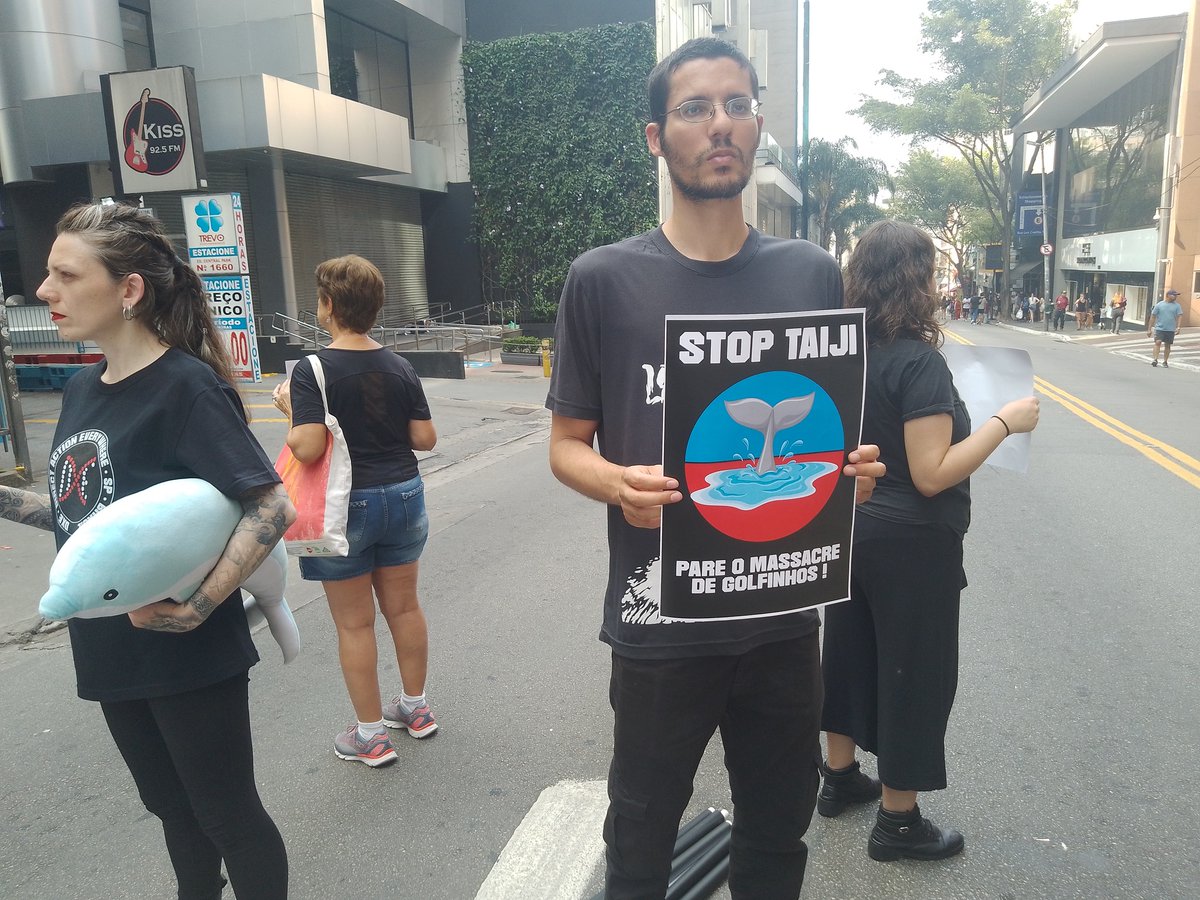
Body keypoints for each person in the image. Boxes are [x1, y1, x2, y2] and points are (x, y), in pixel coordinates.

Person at [546, 38, 884, 900]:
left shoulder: (809, 272)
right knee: (641, 840)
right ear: (656, 137)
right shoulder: (603, 281)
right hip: (660, 622)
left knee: (778, 836)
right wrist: (615, 483)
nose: (719, 124)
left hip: (780, 617)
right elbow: (566, 445)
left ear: (758, 124)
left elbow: (827, 434)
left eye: (736, 104)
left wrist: (853, 473)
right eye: (694, 109)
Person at [0, 202, 292, 898]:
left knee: (227, 813)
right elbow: (84, 518)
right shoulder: (80, 389)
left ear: (128, 290)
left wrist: (198, 606)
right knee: (170, 809)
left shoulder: (186, 389)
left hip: (189, 655)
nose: (44, 292)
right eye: (48, 275)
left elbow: (270, 504)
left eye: (66, 275)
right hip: (108, 647)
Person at [819, 220, 1039, 863]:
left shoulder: (843, 354)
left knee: (849, 653)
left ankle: (836, 780)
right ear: (917, 281)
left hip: (849, 527)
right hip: (912, 542)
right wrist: (1005, 421)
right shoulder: (919, 361)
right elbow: (932, 472)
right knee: (915, 673)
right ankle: (899, 821)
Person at [273, 255, 439, 766]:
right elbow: (425, 438)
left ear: (327, 306)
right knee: (405, 608)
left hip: (345, 507)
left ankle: (370, 735)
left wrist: (288, 408)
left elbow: (304, 448)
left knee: (355, 625)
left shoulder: (312, 370)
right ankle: (415, 708)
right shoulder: (400, 365)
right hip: (405, 494)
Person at [1148, 288, 1184, 367]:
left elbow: (1180, 316)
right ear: (1168, 295)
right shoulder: (1159, 305)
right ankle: (1155, 359)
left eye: (1176, 295)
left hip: (1170, 329)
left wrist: (1178, 327)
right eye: (1174, 295)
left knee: (1167, 345)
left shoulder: (1177, 306)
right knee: (1158, 342)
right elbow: (1153, 316)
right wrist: (1149, 329)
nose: (1175, 297)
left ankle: (1165, 361)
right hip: (1159, 328)